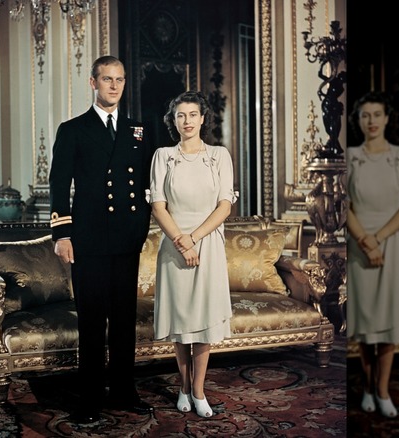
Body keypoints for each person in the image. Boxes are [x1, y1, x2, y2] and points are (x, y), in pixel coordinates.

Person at [49, 55, 154, 424]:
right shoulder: (73, 128)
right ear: (93, 83)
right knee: (92, 321)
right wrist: (62, 233)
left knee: (125, 319)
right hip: (89, 240)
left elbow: (145, 184)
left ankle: (125, 391)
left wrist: (142, 227)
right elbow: (59, 184)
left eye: (120, 80)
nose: (114, 86)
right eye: (107, 79)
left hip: (126, 239)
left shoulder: (138, 130)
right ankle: (90, 398)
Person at [149, 91, 236, 418]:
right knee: (182, 321)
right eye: (180, 115)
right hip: (173, 245)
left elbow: (224, 205)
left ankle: (198, 391)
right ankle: (182, 387)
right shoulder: (163, 156)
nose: (186, 121)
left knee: (202, 323)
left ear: (203, 119)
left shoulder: (218, 155)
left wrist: (195, 239)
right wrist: (180, 241)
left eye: (192, 114)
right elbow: (158, 205)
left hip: (207, 244)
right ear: (173, 120)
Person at [346, 91, 399, 418]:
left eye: (377, 114)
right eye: (365, 115)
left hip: (391, 242)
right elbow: (342, 206)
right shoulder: (350, 156)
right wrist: (365, 240)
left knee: (388, 322)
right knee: (366, 323)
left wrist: (378, 238)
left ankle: (382, 390)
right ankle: (365, 385)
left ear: (388, 119)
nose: (372, 121)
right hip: (360, 243)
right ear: (358, 120)